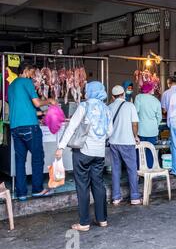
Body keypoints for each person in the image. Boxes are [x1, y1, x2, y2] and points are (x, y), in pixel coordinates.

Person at [56, 81, 113, 232]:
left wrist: (61, 147)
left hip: (83, 152)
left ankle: (84, 222)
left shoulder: (84, 106)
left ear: (89, 91)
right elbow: (110, 132)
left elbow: (72, 127)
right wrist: (98, 140)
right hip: (99, 153)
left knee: (82, 186)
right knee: (98, 185)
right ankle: (102, 219)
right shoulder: (106, 109)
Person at [8, 63, 57, 201]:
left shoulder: (11, 86)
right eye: (32, 72)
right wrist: (49, 101)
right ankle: (37, 189)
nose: (33, 75)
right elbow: (36, 103)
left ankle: (21, 193)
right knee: (37, 158)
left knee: (20, 160)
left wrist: (43, 113)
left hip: (15, 128)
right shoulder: (26, 82)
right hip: (30, 127)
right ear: (25, 71)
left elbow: (24, 108)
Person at [108, 85, 142, 206]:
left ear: (112, 97)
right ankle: (135, 197)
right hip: (127, 142)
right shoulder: (130, 106)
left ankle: (116, 197)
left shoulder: (109, 107)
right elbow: (134, 124)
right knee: (132, 169)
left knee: (116, 170)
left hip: (113, 142)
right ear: (123, 94)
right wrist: (136, 136)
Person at [134, 81, 162, 169]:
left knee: (139, 151)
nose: (153, 89)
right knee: (150, 150)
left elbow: (135, 113)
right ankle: (149, 169)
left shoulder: (138, 97)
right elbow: (159, 117)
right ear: (149, 89)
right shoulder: (156, 100)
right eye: (152, 88)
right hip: (152, 130)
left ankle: (139, 170)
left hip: (141, 130)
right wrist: (154, 124)